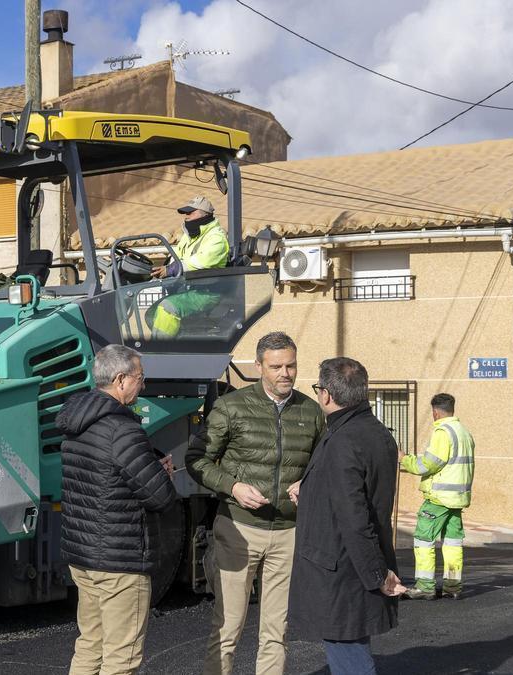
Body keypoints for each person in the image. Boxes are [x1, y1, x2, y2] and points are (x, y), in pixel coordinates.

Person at [186, 331, 325, 675]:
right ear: (259, 366)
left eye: (291, 365)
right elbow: (197, 460)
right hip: (238, 530)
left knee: (276, 631)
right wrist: (233, 487)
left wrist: (309, 482)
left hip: (289, 534)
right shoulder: (231, 407)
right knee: (228, 626)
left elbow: (324, 465)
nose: (285, 374)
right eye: (276, 366)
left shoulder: (311, 411)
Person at [57, 344, 176, 675]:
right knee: (122, 659)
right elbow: (159, 498)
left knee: (90, 646)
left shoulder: (78, 422)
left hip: (84, 556)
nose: (143, 385)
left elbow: (105, 478)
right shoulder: (123, 430)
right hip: (120, 560)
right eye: (140, 377)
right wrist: (163, 474)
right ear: (121, 380)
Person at [288, 357, 404, 674]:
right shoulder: (377, 433)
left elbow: (355, 517)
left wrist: (377, 575)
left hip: (343, 568)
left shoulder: (342, 440)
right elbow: (361, 494)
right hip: (357, 561)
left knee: (350, 659)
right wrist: (310, 489)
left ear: (325, 394)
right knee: (352, 651)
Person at [399, 393, 475, 600]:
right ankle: (452, 586)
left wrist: (405, 460)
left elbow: (429, 463)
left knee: (424, 539)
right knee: (452, 542)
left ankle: (425, 586)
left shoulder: (443, 432)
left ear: (435, 412)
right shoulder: (464, 433)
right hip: (457, 498)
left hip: (439, 498)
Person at [149, 195, 229, 337]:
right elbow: (176, 257)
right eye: (185, 213)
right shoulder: (189, 237)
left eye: (191, 212)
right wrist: (154, 270)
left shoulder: (217, 238)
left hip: (207, 293)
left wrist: (171, 270)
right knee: (151, 312)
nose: (186, 216)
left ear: (205, 214)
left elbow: (202, 261)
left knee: (167, 308)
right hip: (190, 290)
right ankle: (176, 342)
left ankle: (163, 351)